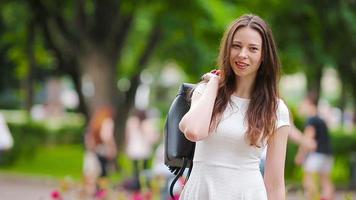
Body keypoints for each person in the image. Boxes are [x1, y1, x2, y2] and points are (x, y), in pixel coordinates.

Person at [179, 14, 290, 199]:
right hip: (201, 193)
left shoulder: (276, 109)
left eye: (253, 49)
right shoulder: (206, 92)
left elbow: (275, 184)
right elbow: (194, 131)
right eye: (236, 46)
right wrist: (214, 83)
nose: (242, 54)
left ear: (263, 56)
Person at [295, 93, 334, 200]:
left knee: (308, 178)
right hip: (327, 154)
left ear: (310, 104)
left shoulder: (311, 120)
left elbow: (308, 139)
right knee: (326, 181)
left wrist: (300, 155)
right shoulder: (322, 120)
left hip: (316, 155)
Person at [83, 106, 117, 195]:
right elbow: (106, 136)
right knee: (104, 173)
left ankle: (96, 191)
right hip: (104, 150)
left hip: (96, 149)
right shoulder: (108, 121)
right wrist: (112, 148)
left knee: (97, 172)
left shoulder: (96, 121)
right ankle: (102, 192)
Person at [125, 108, 159, 191]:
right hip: (144, 149)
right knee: (145, 168)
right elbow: (152, 138)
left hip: (134, 148)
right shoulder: (147, 123)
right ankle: (145, 184)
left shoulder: (131, 122)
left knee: (135, 169)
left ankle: (136, 185)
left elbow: (127, 136)